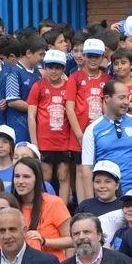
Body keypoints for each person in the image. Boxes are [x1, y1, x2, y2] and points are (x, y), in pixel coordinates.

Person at [80, 80, 132, 195]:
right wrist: (90, 201)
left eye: (128, 97)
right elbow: (87, 168)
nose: (127, 102)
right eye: (121, 98)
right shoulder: (92, 130)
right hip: (107, 197)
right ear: (107, 98)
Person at [27, 49, 80, 205]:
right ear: (45, 67)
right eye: (50, 67)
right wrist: (34, 143)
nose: (54, 71)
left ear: (63, 68)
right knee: (46, 176)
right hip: (44, 141)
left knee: (64, 175)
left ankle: (62, 210)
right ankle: (44, 208)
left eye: (58, 67)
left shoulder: (69, 86)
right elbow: (31, 116)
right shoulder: (38, 86)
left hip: (64, 140)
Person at [12, 157, 72, 261]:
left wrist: (44, 241)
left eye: (26, 177)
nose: (20, 181)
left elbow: (72, 239)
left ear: (37, 179)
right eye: (17, 176)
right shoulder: (11, 205)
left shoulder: (54, 203)